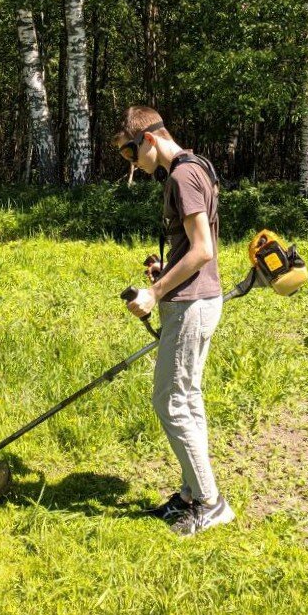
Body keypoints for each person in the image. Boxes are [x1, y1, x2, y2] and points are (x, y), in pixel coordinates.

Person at [114, 105, 234, 536]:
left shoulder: (183, 176)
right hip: (195, 298)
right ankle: (190, 494)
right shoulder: (193, 168)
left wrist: (155, 292)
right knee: (188, 398)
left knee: (171, 401)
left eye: (130, 154)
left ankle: (210, 501)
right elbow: (192, 248)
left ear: (148, 139)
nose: (131, 165)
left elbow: (203, 250)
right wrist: (162, 270)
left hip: (191, 304)